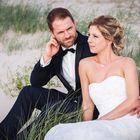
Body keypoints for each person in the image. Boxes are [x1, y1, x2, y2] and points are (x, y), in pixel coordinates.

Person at [0, 7, 98, 140]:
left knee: (51, 108)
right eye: (61, 32)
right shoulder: (55, 51)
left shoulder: (91, 44)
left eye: (69, 28)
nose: (67, 35)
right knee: (28, 92)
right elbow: (36, 82)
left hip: (90, 106)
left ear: (74, 24)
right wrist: (47, 57)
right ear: (52, 33)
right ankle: (3, 134)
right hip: (69, 100)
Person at [44, 15, 140, 140]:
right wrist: (86, 127)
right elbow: (87, 105)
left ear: (109, 39)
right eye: (89, 35)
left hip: (129, 120)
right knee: (57, 131)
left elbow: (132, 101)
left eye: (95, 36)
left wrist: (100, 121)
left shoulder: (127, 63)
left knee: (96, 134)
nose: (89, 40)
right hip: (102, 123)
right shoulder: (85, 65)